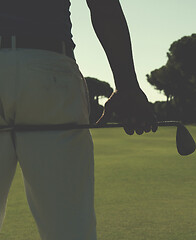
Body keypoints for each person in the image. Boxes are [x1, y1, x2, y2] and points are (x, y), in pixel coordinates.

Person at [0, 0, 157, 239]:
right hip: (49, 70)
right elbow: (104, 7)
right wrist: (126, 85)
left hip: (49, 69)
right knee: (69, 231)